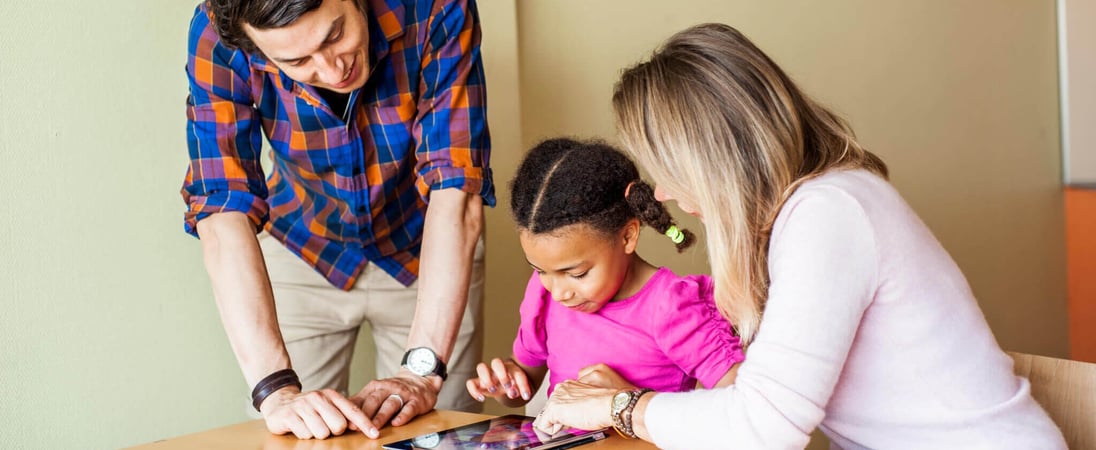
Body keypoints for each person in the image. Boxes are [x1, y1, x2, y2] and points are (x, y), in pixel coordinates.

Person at [533, 24, 1066, 449]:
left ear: (715, 160)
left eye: (669, 170)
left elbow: (766, 429)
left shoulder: (828, 216)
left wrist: (619, 407)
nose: (664, 193)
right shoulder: (801, 216)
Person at [180, 0, 494, 440]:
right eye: (296, 61)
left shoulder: (438, 5)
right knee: (292, 432)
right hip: (302, 245)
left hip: (427, 249)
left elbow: (455, 186)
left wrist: (422, 371)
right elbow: (222, 205)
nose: (332, 71)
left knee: (441, 437)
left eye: (334, 35)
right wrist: (275, 391)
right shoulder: (217, 31)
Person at [466, 138, 744, 412]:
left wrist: (629, 400)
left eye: (577, 273)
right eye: (540, 270)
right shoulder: (543, 293)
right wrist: (507, 385)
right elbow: (526, 380)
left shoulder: (673, 307)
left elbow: (744, 407)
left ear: (627, 236)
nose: (559, 292)